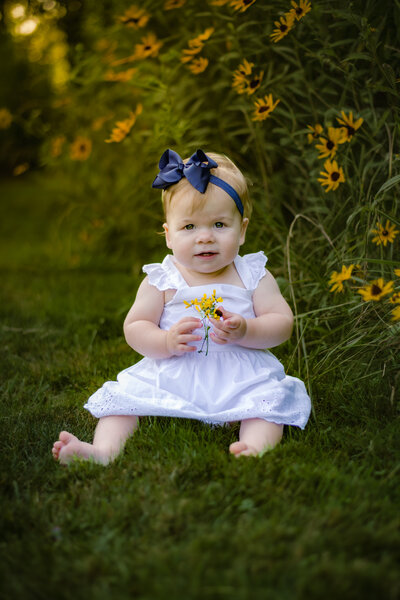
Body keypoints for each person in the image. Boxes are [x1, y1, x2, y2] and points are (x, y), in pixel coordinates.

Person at [52, 149, 311, 465]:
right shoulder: (163, 279)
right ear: (168, 235)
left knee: (267, 404)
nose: (205, 238)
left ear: (242, 230)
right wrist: (165, 341)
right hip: (175, 369)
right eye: (189, 227)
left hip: (240, 374)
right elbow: (135, 327)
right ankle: (102, 451)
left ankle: (255, 447)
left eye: (219, 224)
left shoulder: (252, 274)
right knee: (124, 401)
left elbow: (282, 322)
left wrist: (247, 329)